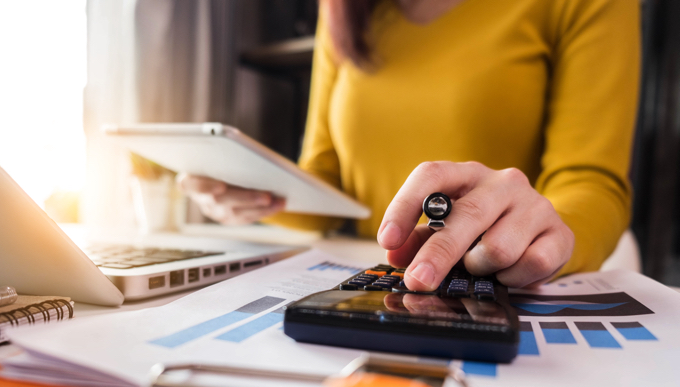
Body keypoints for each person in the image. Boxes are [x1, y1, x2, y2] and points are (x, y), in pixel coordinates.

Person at [180, 0, 640, 291]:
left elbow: (591, 180)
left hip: (484, 279)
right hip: (369, 279)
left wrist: (546, 234)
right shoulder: (343, 10)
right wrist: (256, 192)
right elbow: (327, 181)